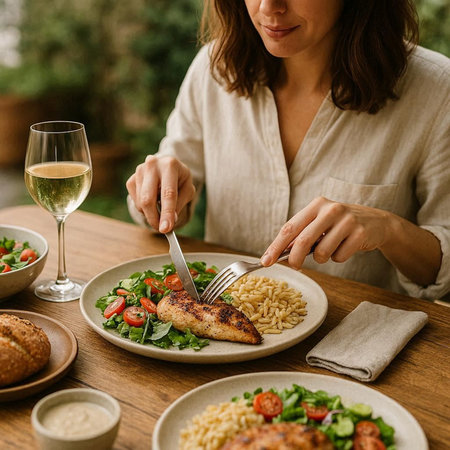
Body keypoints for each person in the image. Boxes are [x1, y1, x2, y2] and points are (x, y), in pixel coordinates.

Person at [126, 0, 450, 301]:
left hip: (354, 346)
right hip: (219, 343)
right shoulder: (214, 69)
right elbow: (164, 206)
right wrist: (157, 194)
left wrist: (389, 229)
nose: (269, 8)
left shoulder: (436, 90)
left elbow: (443, 270)